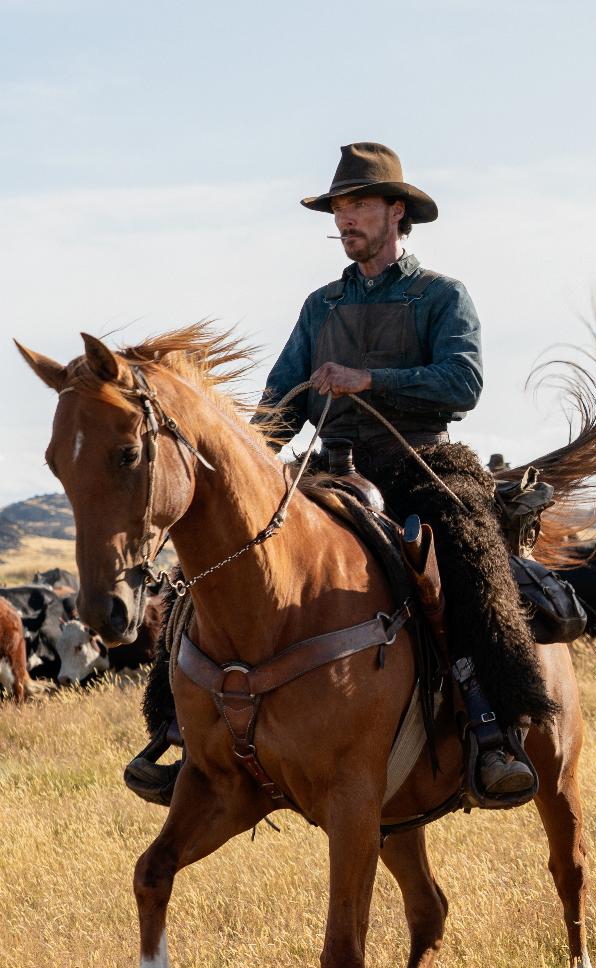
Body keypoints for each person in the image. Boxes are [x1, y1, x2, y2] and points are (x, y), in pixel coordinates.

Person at [125, 142, 546, 806]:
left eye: (358, 206)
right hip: (328, 471)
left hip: (419, 462)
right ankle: (181, 733)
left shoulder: (441, 296)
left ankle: (495, 728)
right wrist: (249, 463)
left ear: (395, 211)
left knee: (467, 554)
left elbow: (462, 382)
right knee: (217, 557)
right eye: (339, 209)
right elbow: (277, 402)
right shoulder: (320, 306)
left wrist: (367, 379)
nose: (345, 220)